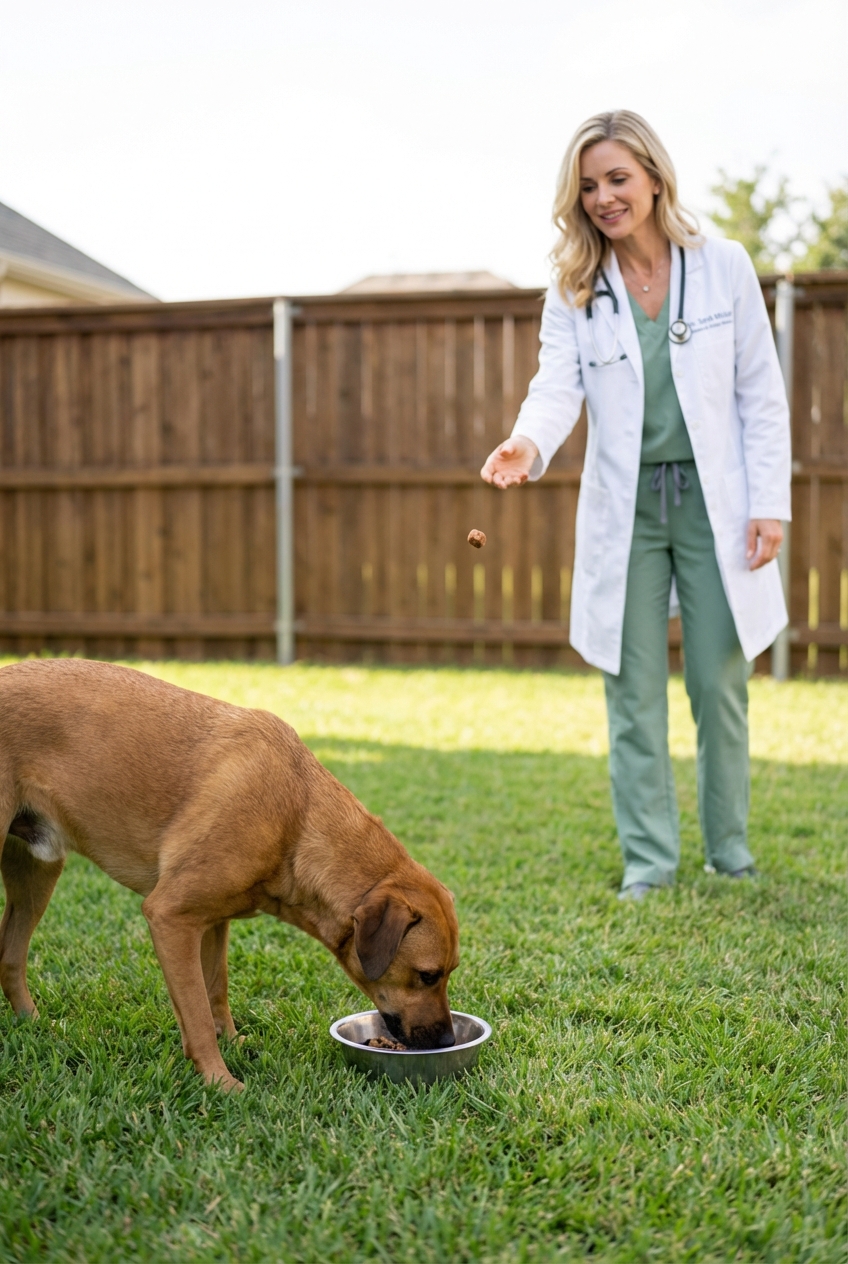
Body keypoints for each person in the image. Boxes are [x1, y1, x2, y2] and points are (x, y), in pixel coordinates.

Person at [481, 110, 791, 899]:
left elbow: (761, 392)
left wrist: (770, 504)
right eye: (588, 186)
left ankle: (730, 851)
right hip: (629, 510)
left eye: (617, 178)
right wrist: (527, 442)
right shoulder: (576, 287)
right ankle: (649, 862)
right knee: (631, 685)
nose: (603, 198)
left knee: (720, 680)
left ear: (654, 177)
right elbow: (558, 385)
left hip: (714, 502)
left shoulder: (722, 265)